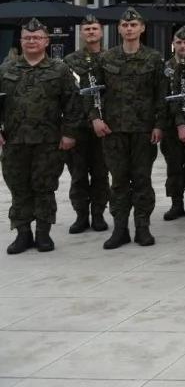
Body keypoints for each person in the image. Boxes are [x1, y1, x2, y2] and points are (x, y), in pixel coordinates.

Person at [89, 7, 168, 249]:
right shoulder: (106, 59)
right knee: (119, 180)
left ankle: (142, 227)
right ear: (119, 29)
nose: (129, 29)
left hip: (144, 131)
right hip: (113, 131)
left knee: (142, 180)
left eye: (134, 25)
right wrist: (95, 118)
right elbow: (92, 94)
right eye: (125, 25)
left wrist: (159, 125)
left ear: (142, 28)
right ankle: (120, 229)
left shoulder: (154, 59)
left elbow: (161, 96)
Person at [2, 18, 81, 254]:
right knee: (19, 188)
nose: (31, 41)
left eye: (37, 37)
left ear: (46, 41)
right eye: (27, 37)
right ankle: (22, 233)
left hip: (48, 141)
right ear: (21, 40)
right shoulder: (6, 69)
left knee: (44, 187)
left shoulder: (59, 69)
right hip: (15, 140)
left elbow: (73, 104)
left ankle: (43, 234)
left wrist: (69, 134)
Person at [63, 14, 111, 233]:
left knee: (101, 173)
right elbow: (68, 96)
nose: (91, 32)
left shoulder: (112, 58)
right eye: (87, 29)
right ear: (81, 34)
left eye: (94, 28)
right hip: (79, 128)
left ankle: (98, 214)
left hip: (105, 128)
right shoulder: (70, 61)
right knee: (78, 174)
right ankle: (81, 215)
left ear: (101, 32)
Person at [161, 26, 185, 221]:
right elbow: (163, 98)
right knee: (174, 166)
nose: (183, 46)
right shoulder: (167, 68)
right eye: (179, 42)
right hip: (171, 127)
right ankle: (176, 203)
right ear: (173, 44)